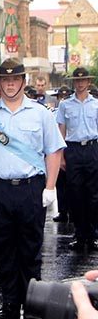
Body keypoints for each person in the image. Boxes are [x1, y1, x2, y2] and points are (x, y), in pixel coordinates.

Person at [0, 57, 65, 319]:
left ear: (23, 81)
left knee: (30, 249)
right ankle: (10, 302)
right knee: (1, 248)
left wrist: (50, 187)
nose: (10, 84)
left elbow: (53, 150)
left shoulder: (40, 113)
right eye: (5, 80)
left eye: (15, 79)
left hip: (30, 189)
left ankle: (32, 304)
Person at [57, 67, 98, 251]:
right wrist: (61, 156)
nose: (80, 83)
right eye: (77, 80)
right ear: (74, 82)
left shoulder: (96, 104)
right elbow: (61, 131)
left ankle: (94, 235)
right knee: (75, 194)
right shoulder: (65, 105)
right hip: (72, 150)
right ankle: (80, 235)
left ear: (89, 82)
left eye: (83, 81)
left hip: (92, 148)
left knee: (93, 195)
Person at [52, 85, 73, 223]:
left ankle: (72, 210)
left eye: (66, 97)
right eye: (61, 97)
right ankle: (62, 211)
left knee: (74, 184)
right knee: (60, 184)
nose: (63, 99)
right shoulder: (53, 113)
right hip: (59, 149)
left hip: (73, 148)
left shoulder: (71, 108)